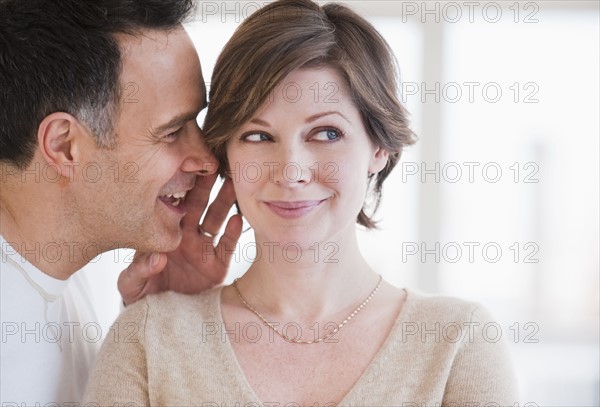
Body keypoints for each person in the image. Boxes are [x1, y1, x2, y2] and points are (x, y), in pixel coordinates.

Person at [84, 0, 519, 405]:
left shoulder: (457, 342)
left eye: (327, 133)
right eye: (258, 136)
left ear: (378, 147)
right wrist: (175, 323)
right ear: (226, 156)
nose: (290, 171)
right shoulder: (149, 336)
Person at [0, 0, 242, 403]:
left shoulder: (62, 273)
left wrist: (151, 324)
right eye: (172, 132)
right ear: (65, 146)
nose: (207, 160)